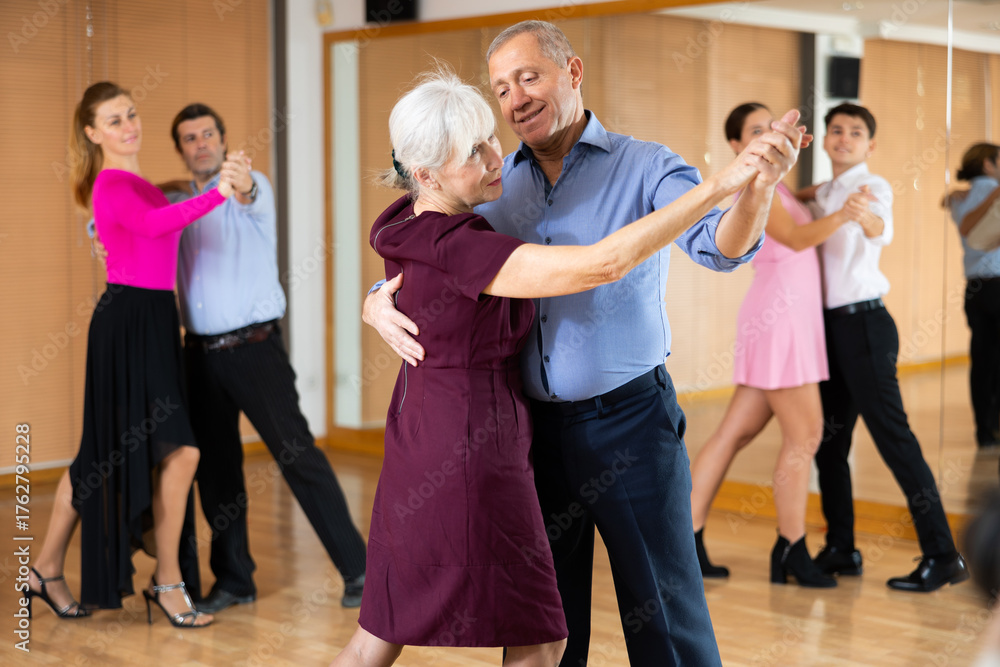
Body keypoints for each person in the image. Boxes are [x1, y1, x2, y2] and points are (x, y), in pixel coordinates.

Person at [363, 21, 806, 666]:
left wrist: (756, 189)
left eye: (530, 76)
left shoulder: (646, 166)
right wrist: (374, 307)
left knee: (664, 615)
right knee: (548, 624)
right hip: (526, 433)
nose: (515, 98)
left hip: (628, 422)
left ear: (572, 73)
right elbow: (427, 253)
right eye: (501, 87)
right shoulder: (490, 182)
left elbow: (720, 247)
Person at [23, 81, 238, 627]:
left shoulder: (137, 183)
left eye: (132, 114)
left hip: (153, 320)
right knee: (177, 451)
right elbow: (152, 223)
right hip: (127, 323)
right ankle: (166, 582)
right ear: (93, 133)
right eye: (114, 120)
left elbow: (148, 215)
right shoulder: (110, 182)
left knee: (100, 455)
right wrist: (219, 193)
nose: (129, 125)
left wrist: (211, 185)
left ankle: (44, 568)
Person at [161, 104, 369, 614]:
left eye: (208, 133)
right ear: (182, 149)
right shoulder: (176, 204)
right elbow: (131, 224)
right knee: (218, 472)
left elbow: (247, 191)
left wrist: (243, 182)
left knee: (299, 456)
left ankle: (360, 570)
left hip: (255, 350)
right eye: (190, 138)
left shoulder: (252, 189)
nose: (201, 143)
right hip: (200, 357)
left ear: (223, 138)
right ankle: (235, 581)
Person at [800, 102, 969, 592]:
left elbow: (880, 228)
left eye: (856, 133)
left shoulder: (872, 188)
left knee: (895, 440)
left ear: (870, 145)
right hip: (831, 330)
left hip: (865, 327)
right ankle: (842, 549)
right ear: (827, 139)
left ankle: (942, 555)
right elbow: (804, 198)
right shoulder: (830, 188)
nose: (845, 138)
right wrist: (817, 194)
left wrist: (862, 217)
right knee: (830, 444)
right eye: (837, 131)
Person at [690, 102, 860, 587]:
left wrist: (820, 190)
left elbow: (798, 205)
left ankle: (685, 538)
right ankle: (791, 548)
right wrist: (845, 212)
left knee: (733, 434)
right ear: (736, 145)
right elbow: (799, 236)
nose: (768, 136)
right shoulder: (753, 186)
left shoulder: (776, 185)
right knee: (805, 436)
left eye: (774, 127)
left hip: (783, 320)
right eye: (757, 130)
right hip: (781, 321)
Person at [945, 143, 1000, 450]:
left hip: (975, 288)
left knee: (983, 359)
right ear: (989, 165)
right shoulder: (993, 192)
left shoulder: (958, 197)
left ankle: (984, 430)